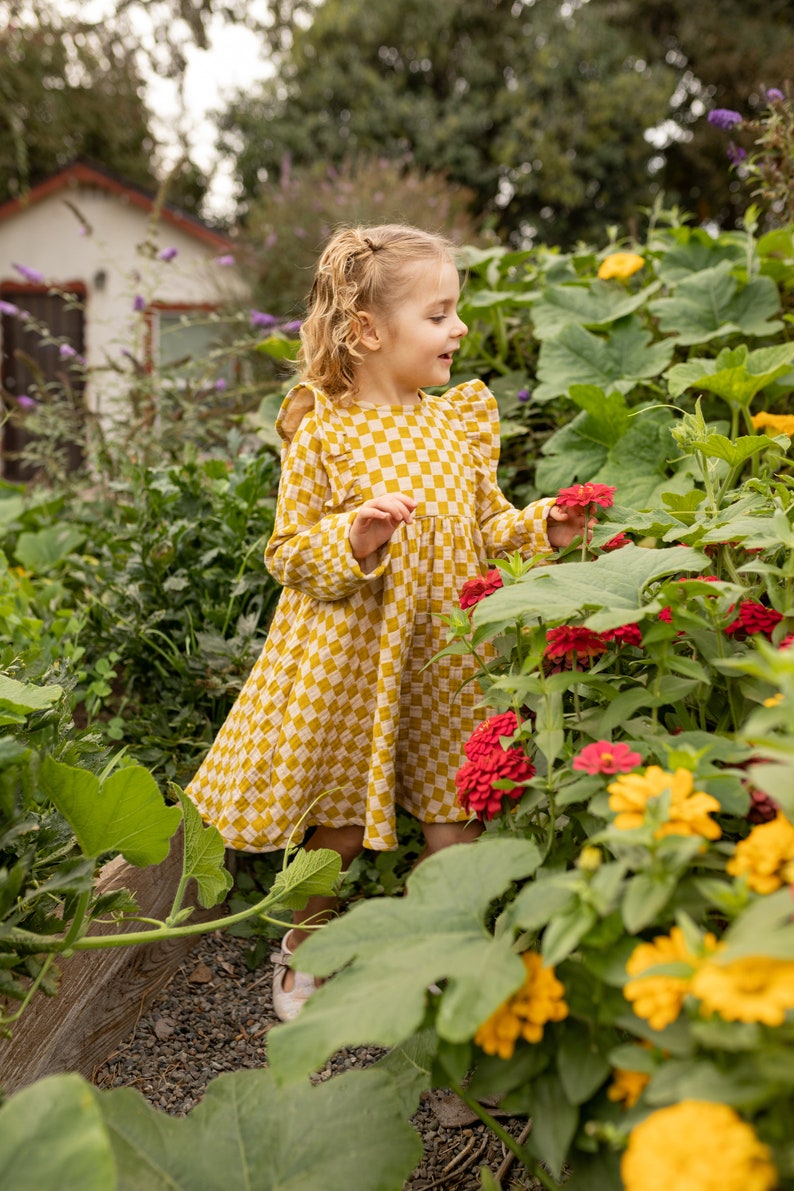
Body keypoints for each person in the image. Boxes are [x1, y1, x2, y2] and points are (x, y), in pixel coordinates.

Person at [186, 223, 588, 1021]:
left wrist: (546, 525)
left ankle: (451, 958)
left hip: (444, 653)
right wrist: (356, 536)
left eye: (454, 313)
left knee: (454, 819)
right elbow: (288, 550)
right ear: (369, 330)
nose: (459, 329)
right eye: (439, 314)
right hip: (351, 660)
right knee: (333, 829)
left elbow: (490, 527)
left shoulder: (456, 425)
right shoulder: (324, 433)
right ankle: (308, 946)